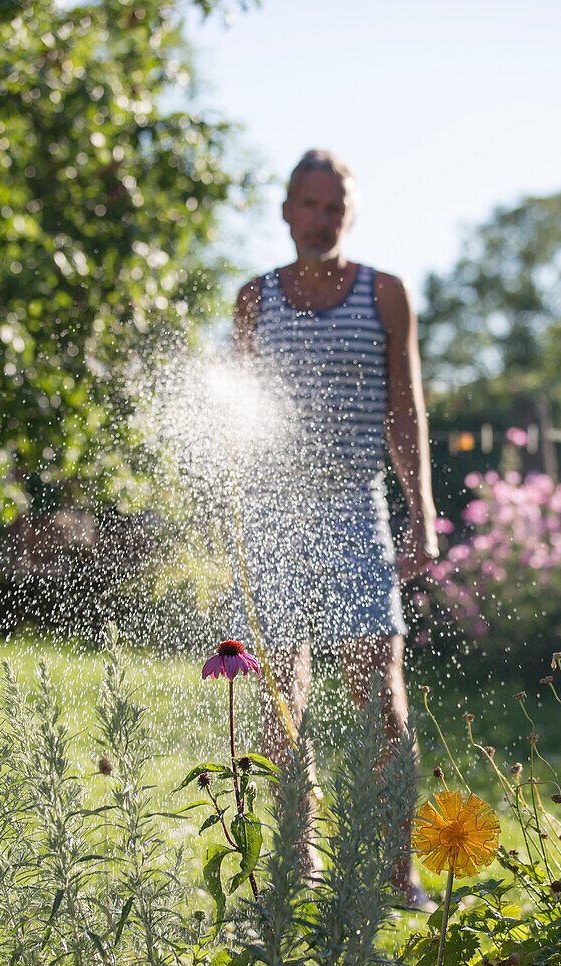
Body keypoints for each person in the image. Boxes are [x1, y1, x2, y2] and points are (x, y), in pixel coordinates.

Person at [232, 149, 438, 904]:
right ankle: (300, 862)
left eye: (333, 208)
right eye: (307, 206)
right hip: (271, 512)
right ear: (286, 210)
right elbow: (238, 413)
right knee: (278, 696)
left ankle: (395, 871)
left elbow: (404, 406)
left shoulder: (383, 294)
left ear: (347, 215)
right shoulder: (255, 299)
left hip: (356, 507)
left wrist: (422, 512)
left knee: (377, 689)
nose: (319, 220)